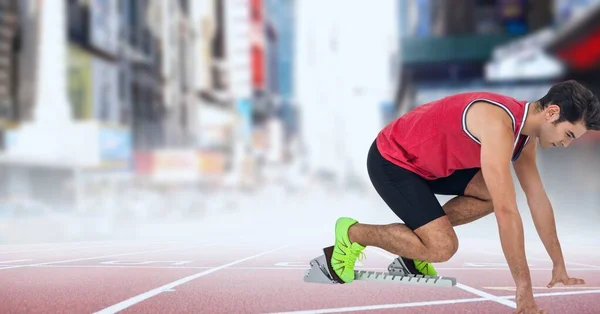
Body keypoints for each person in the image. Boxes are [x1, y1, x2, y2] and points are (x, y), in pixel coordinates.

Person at [329, 80, 600, 314]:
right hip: (393, 160)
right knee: (442, 247)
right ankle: (352, 233)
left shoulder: (524, 137)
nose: (566, 144)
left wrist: (559, 265)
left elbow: (538, 199)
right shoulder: (499, 126)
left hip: (431, 167)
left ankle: (416, 248)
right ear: (552, 112)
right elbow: (507, 212)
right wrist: (524, 290)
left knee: (490, 196)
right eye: (568, 135)